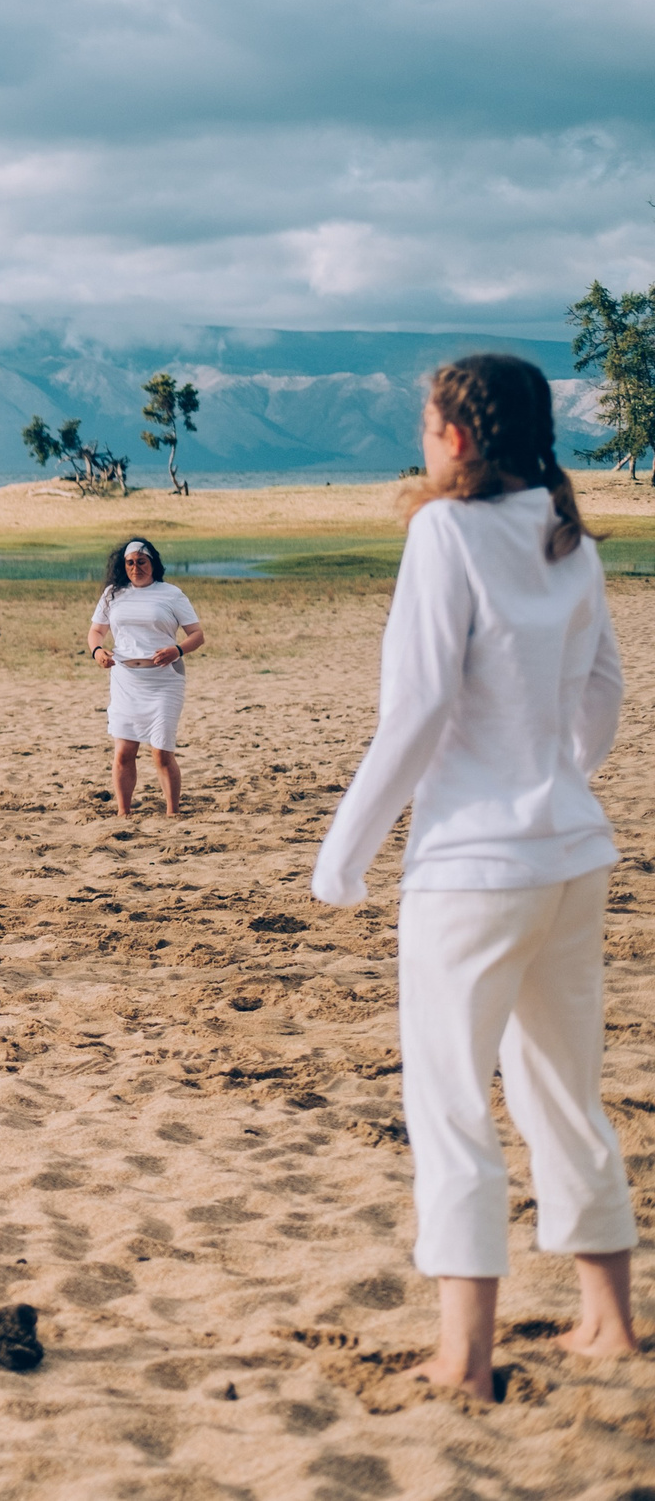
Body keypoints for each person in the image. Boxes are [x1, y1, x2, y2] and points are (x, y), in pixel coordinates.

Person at [313, 354, 636, 1401]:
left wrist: (343, 853)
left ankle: (463, 1356)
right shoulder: (566, 537)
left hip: (470, 869)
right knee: (564, 1094)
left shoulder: (443, 533)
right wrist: (552, 777)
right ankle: (608, 1325)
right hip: (569, 853)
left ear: (454, 435)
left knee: (452, 1101)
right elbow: (602, 694)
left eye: (425, 420)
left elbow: (413, 710)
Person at [88, 539, 205, 816]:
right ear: (123, 566)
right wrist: (97, 652)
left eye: (141, 562)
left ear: (153, 563)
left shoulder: (171, 594)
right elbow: (96, 632)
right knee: (124, 751)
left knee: (161, 751)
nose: (136, 567)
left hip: (164, 680)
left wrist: (176, 650)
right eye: (130, 563)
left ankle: (173, 812)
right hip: (126, 679)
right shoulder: (112, 594)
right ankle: (123, 812)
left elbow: (197, 636)